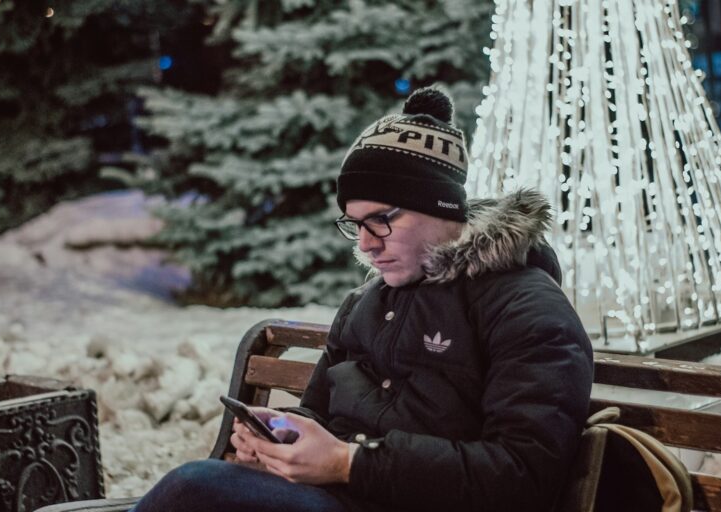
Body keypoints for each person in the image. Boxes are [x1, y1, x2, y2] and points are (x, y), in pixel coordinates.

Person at [130, 87, 593, 512]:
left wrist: (350, 463)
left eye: (382, 220)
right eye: (355, 224)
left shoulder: (527, 308)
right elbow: (321, 411)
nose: (366, 245)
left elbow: (523, 477)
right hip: (342, 498)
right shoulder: (367, 302)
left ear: (440, 208)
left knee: (193, 490)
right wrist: (281, 434)